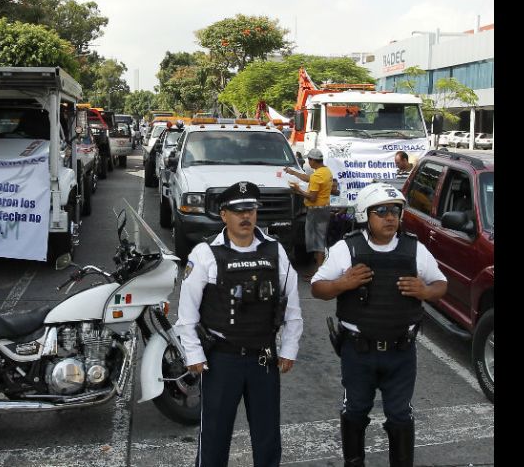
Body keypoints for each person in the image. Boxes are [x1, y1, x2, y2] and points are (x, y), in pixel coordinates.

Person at [310, 182, 447, 467]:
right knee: (355, 411)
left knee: (400, 416)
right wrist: (342, 283)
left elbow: (440, 284)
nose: (390, 217)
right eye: (381, 211)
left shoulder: (415, 249)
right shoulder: (346, 249)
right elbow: (317, 288)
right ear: (364, 214)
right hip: (358, 352)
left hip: (401, 353)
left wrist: (425, 291)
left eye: (395, 211)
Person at [176, 180, 303, 467]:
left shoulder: (275, 251)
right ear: (224, 215)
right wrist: (194, 354)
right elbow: (187, 313)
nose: (246, 216)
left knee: (267, 434)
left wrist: (289, 348)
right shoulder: (205, 254)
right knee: (214, 434)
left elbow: (292, 304)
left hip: (263, 357)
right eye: (238, 211)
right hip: (222, 360)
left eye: (251, 210)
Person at [284, 147, 333, 280]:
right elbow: (308, 179)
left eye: (309, 160)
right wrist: (293, 172)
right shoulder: (325, 171)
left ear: (313, 160)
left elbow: (312, 197)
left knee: (317, 242)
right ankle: (317, 271)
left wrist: (298, 190)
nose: (308, 163)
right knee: (319, 240)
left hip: (316, 211)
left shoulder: (317, 176)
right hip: (324, 209)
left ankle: (319, 274)